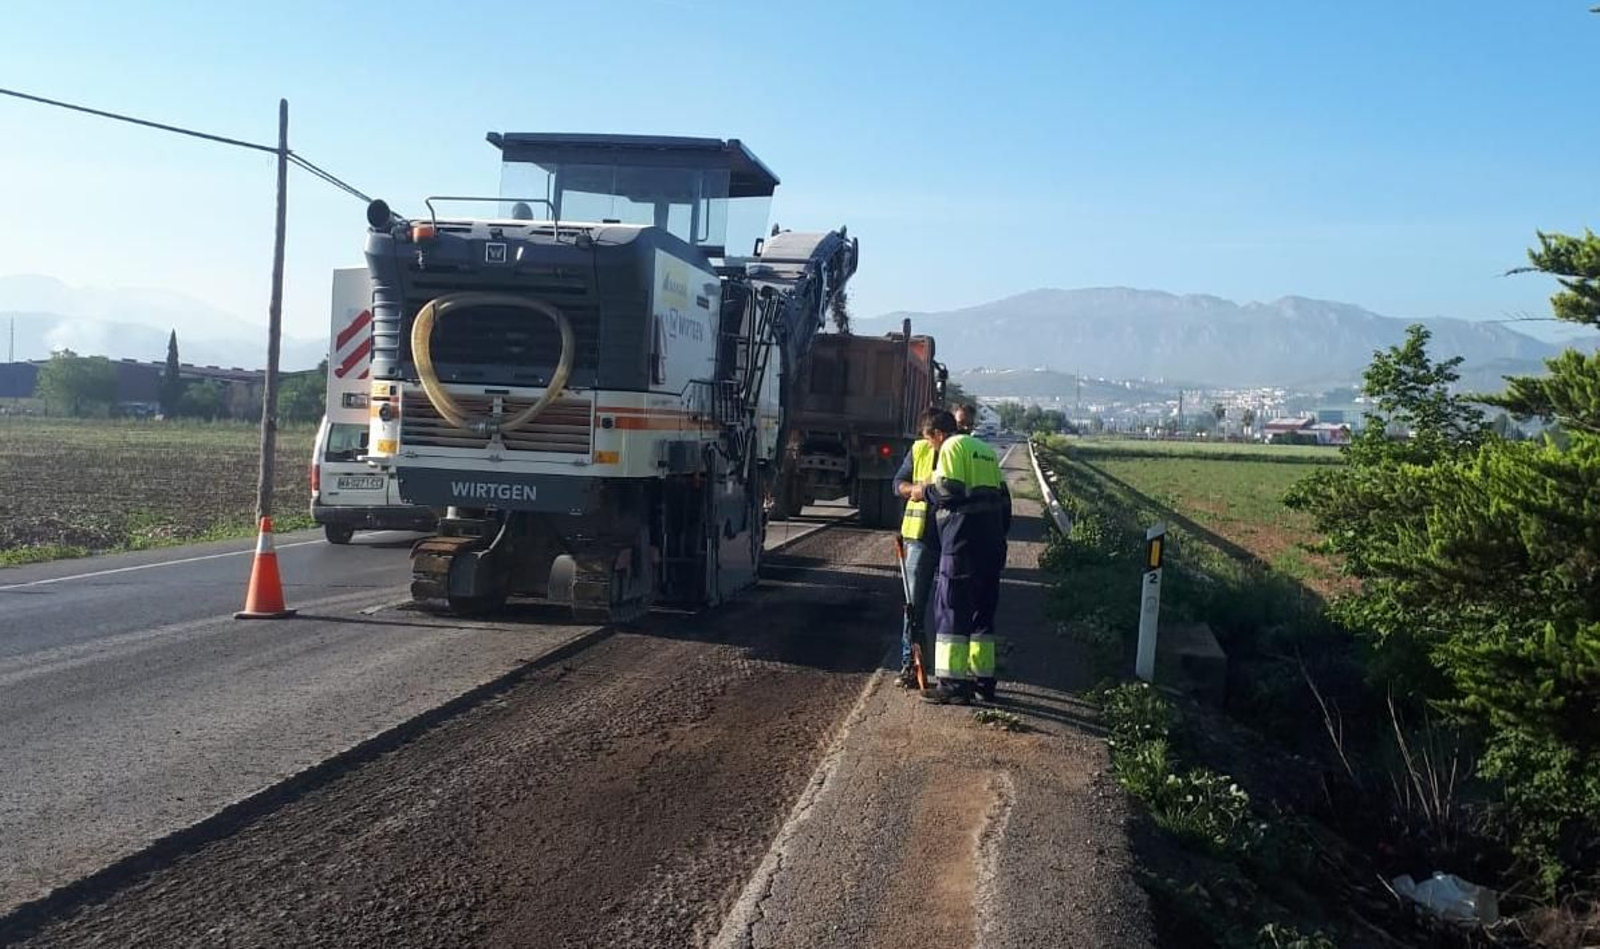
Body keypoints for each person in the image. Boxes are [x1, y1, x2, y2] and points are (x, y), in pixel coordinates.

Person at [920, 412, 1011, 704]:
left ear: (937, 434)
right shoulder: (984, 450)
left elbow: (950, 490)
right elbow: (1005, 501)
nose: (932, 449)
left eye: (930, 442)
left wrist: (925, 490)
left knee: (951, 611)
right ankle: (984, 682)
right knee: (982, 616)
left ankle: (952, 685)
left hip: (962, 544)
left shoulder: (951, 447)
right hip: (991, 544)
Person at [892, 413, 942, 688]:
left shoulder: (957, 451)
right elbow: (897, 482)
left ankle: (949, 672)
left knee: (948, 608)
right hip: (919, 538)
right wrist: (915, 489)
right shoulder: (919, 449)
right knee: (913, 608)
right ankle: (910, 666)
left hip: (950, 539)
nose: (927, 440)